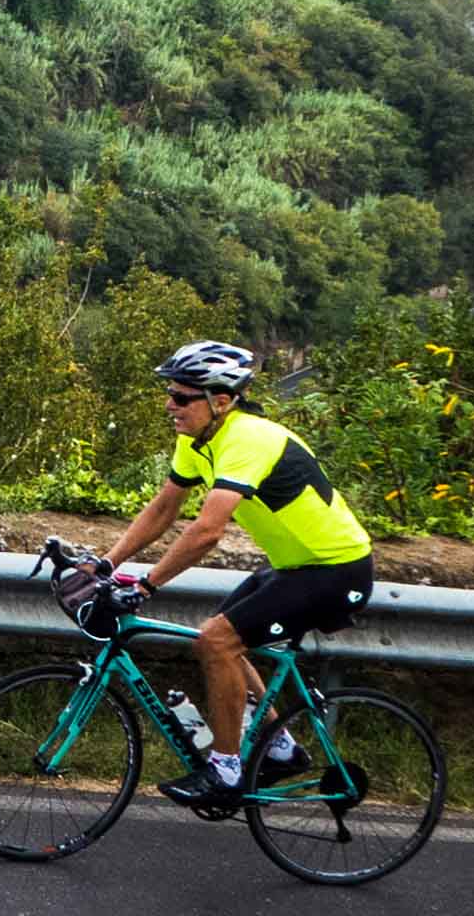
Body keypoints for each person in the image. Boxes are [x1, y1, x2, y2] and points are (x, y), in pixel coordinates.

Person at [100, 340, 375, 805]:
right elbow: (166, 507)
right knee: (223, 638)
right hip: (295, 566)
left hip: (337, 570)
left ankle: (225, 770)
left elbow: (208, 531)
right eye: (171, 394)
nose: (171, 405)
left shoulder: (248, 439)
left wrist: (147, 584)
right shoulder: (197, 439)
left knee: (217, 639)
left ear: (220, 401)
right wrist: (108, 562)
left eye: (182, 397)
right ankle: (280, 748)